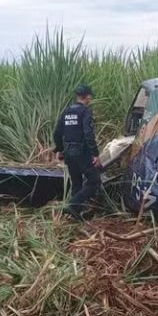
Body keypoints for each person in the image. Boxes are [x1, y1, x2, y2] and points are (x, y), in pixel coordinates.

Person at [53, 84, 101, 220]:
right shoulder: (85, 111)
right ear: (88, 96)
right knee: (95, 180)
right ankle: (73, 205)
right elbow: (88, 134)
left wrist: (59, 149)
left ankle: (75, 214)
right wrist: (95, 154)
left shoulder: (67, 111)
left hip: (68, 153)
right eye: (90, 96)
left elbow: (57, 133)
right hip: (81, 153)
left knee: (77, 183)